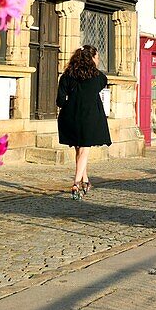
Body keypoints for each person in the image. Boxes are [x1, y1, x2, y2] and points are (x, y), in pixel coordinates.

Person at [56, 44, 111, 199]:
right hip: (89, 117)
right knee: (84, 150)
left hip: (70, 117)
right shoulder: (99, 77)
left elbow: (60, 100)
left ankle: (85, 180)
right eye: (97, 57)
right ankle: (76, 183)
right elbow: (101, 84)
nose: (98, 60)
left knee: (79, 150)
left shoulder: (66, 75)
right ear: (92, 58)